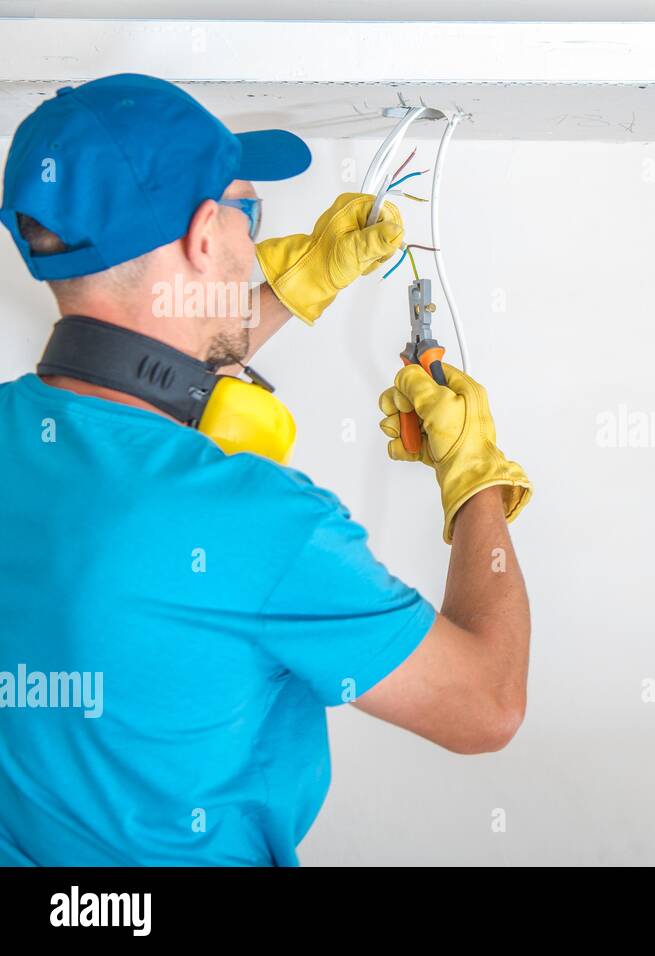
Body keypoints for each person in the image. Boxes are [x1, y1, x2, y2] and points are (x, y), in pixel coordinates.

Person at [0, 73, 532, 865]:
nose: (253, 247)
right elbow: (487, 705)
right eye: (249, 215)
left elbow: (128, 387)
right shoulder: (255, 524)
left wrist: (298, 281)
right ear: (205, 237)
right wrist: (476, 478)